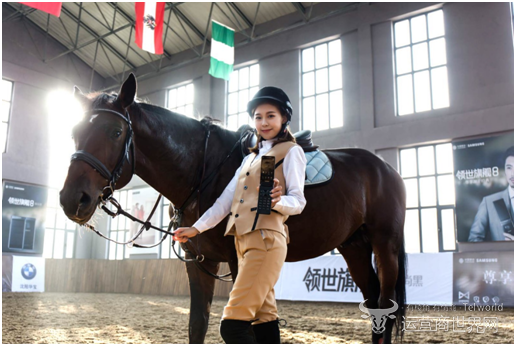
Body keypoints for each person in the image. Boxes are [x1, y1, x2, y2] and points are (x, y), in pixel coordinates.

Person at [173, 86, 307, 344]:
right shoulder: (250, 159)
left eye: (271, 115)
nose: (264, 122)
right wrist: (196, 228)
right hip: (242, 243)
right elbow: (224, 202)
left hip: (266, 242)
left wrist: (279, 201)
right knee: (264, 320)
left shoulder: (292, 151)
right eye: (258, 117)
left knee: (232, 326)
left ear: (284, 119)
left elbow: (298, 202)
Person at [469, 146, 514, 242]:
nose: (512, 174)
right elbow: (474, 239)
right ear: (505, 170)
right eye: (509, 168)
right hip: (500, 256)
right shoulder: (489, 202)